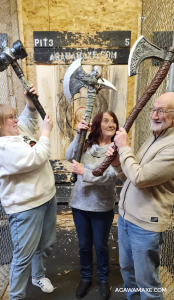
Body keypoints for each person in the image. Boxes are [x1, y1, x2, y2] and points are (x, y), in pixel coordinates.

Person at [106, 92, 174, 300]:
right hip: (128, 218)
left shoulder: (171, 146)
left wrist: (125, 147)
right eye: (153, 109)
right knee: (128, 273)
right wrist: (117, 162)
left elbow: (140, 178)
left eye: (161, 111)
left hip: (146, 225)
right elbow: (130, 178)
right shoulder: (155, 138)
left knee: (148, 285)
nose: (154, 115)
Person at [0, 85, 57, 300]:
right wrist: (46, 132)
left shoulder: (16, 132)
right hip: (26, 208)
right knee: (22, 256)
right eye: (10, 118)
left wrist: (31, 105)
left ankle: (38, 275)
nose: (15, 121)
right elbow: (36, 157)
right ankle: (15, 296)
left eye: (14, 116)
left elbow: (27, 121)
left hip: (47, 197)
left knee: (45, 244)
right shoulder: (4, 147)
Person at [66, 111, 119, 300]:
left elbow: (111, 176)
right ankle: (86, 278)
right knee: (84, 246)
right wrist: (78, 134)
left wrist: (84, 172)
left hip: (101, 207)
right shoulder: (86, 144)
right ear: (97, 124)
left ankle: (104, 279)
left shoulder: (116, 148)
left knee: (101, 246)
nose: (111, 124)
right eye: (106, 120)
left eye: (113, 121)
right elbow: (69, 156)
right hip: (80, 205)